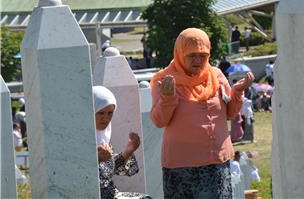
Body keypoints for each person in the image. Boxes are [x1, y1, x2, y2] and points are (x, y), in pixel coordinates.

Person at [150, 28, 254, 198]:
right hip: (182, 168)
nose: (198, 60)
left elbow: (230, 113)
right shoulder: (165, 81)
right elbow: (159, 121)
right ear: (180, 53)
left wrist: (238, 92)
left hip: (218, 164)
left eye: (203, 55)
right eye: (192, 55)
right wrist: (168, 98)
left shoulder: (216, 75)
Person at [92, 86, 152, 199]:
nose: (106, 118)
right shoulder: (79, 140)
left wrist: (128, 151)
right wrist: (96, 159)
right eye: (100, 113)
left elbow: (110, 169)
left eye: (110, 113)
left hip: (111, 194)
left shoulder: (103, 137)